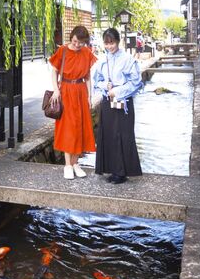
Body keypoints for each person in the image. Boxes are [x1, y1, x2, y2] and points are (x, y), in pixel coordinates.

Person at [92, 28, 143, 184]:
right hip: (108, 103)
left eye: (112, 43)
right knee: (108, 135)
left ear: (118, 41)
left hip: (124, 102)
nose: (109, 46)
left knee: (122, 136)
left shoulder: (128, 59)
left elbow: (136, 83)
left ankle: (122, 172)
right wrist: (105, 85)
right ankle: (113, 169)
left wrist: (117, 90)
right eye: (106, 43)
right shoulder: (102, 60)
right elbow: (96, 81)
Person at [49, 25, 97, 180]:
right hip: (66, 91)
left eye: (81, 43)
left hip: (81, 91)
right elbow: (54, 71)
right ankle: (68, 165)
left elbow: (88, 76)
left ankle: (76, 163)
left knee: (80, 128)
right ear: (72, 37)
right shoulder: (62, 50)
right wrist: (56, 90)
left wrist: (89, 96)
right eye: (76, 41)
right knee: (68, 129)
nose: (77, 45)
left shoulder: (86, 52)